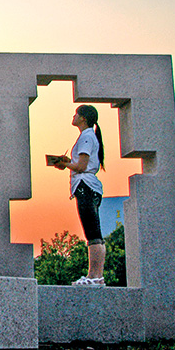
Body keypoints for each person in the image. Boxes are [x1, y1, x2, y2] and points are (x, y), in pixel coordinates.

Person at [54, 104, 106, 287]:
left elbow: (82, 166)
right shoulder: (88, 136)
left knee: (92, 233)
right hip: (89, 187)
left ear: (83, 118)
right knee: (94, 232)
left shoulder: (86, 137)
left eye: (76, 114)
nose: (73, 116)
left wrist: (65, 164)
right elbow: (81, 163)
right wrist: (69, 162)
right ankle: (96, 275)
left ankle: (94, 276)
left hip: (85, 186)